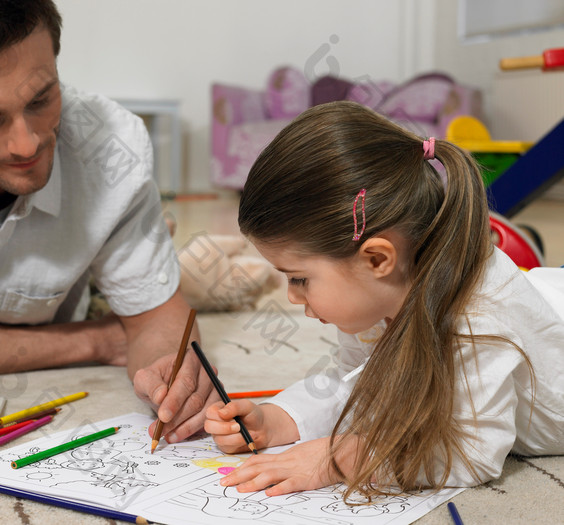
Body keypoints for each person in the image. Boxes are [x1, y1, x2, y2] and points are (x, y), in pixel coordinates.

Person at [0, 0, 213, 443]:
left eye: (41, 99)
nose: (26, 143)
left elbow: (155, 322)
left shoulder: (112, 147)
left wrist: (169, 373)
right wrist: (97, 341)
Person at [204, 101, 564, 501]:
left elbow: (474, 451)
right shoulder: (382, 290)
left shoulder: (477, 319)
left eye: (301, 279)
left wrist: (343, 456)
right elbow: (356, 386)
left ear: (377, 259)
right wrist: (278, 419)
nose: (291, 297)